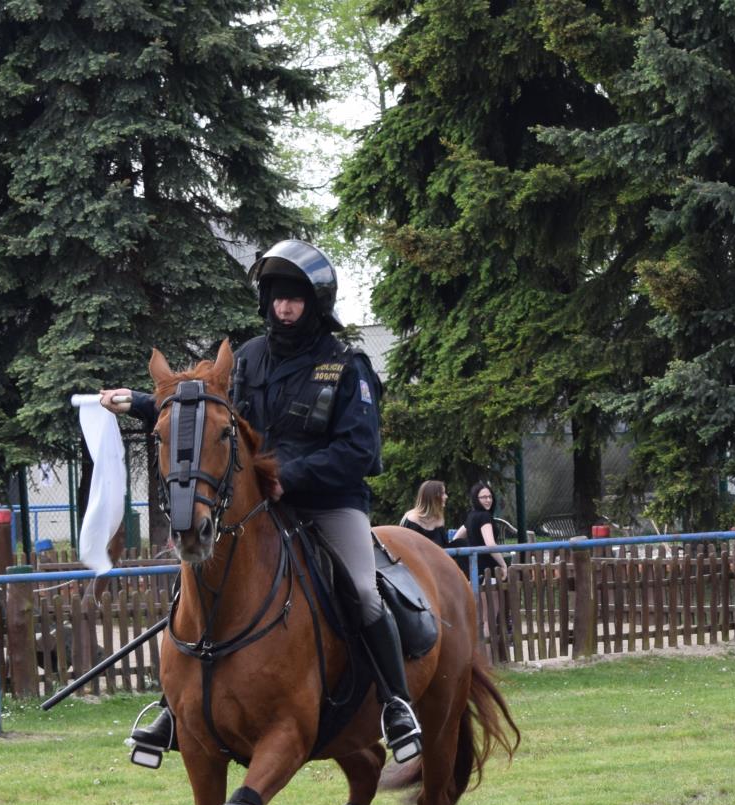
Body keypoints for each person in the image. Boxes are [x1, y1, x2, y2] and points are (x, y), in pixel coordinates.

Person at [100, 238, 426, 766]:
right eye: (276, 295)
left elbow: (359, 450)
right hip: (257, 506)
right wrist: (140, 404)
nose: (284, 306)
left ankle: (395, 704)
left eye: (295, 297)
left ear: (316, 302)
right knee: (202, 588)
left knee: (364, 592)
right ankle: (172, 707)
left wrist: (289, 476)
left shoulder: (346, 365)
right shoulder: (248, 358)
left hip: (328, 502)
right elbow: (207, 420)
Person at [453, 480, 508, 581]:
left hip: (473, 568)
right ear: (476, 499)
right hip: (487, 569)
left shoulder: (471, 515)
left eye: (490, 496)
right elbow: (490, 545)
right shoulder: (485, 516)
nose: (488, 500)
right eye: (483, 497)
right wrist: (503, 564)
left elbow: (456, 538)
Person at [401, 480, 451, 548]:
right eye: (442, 493)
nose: (446, 496)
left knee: (460, 543)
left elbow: (444, 548)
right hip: (415, 558)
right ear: (432, 497)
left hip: (435, 558)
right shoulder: (412, 520)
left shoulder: (439, 520)